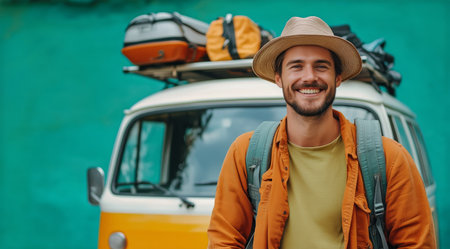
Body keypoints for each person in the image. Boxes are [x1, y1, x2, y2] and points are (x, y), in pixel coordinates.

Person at [207, 16, 436, 249]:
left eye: (321, 66)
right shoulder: (246, 154)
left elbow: (416, 244)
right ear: (279, 78)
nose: (309, 77)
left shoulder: (389, 159)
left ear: (338, 78)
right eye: (296, 66)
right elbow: (224, 241)